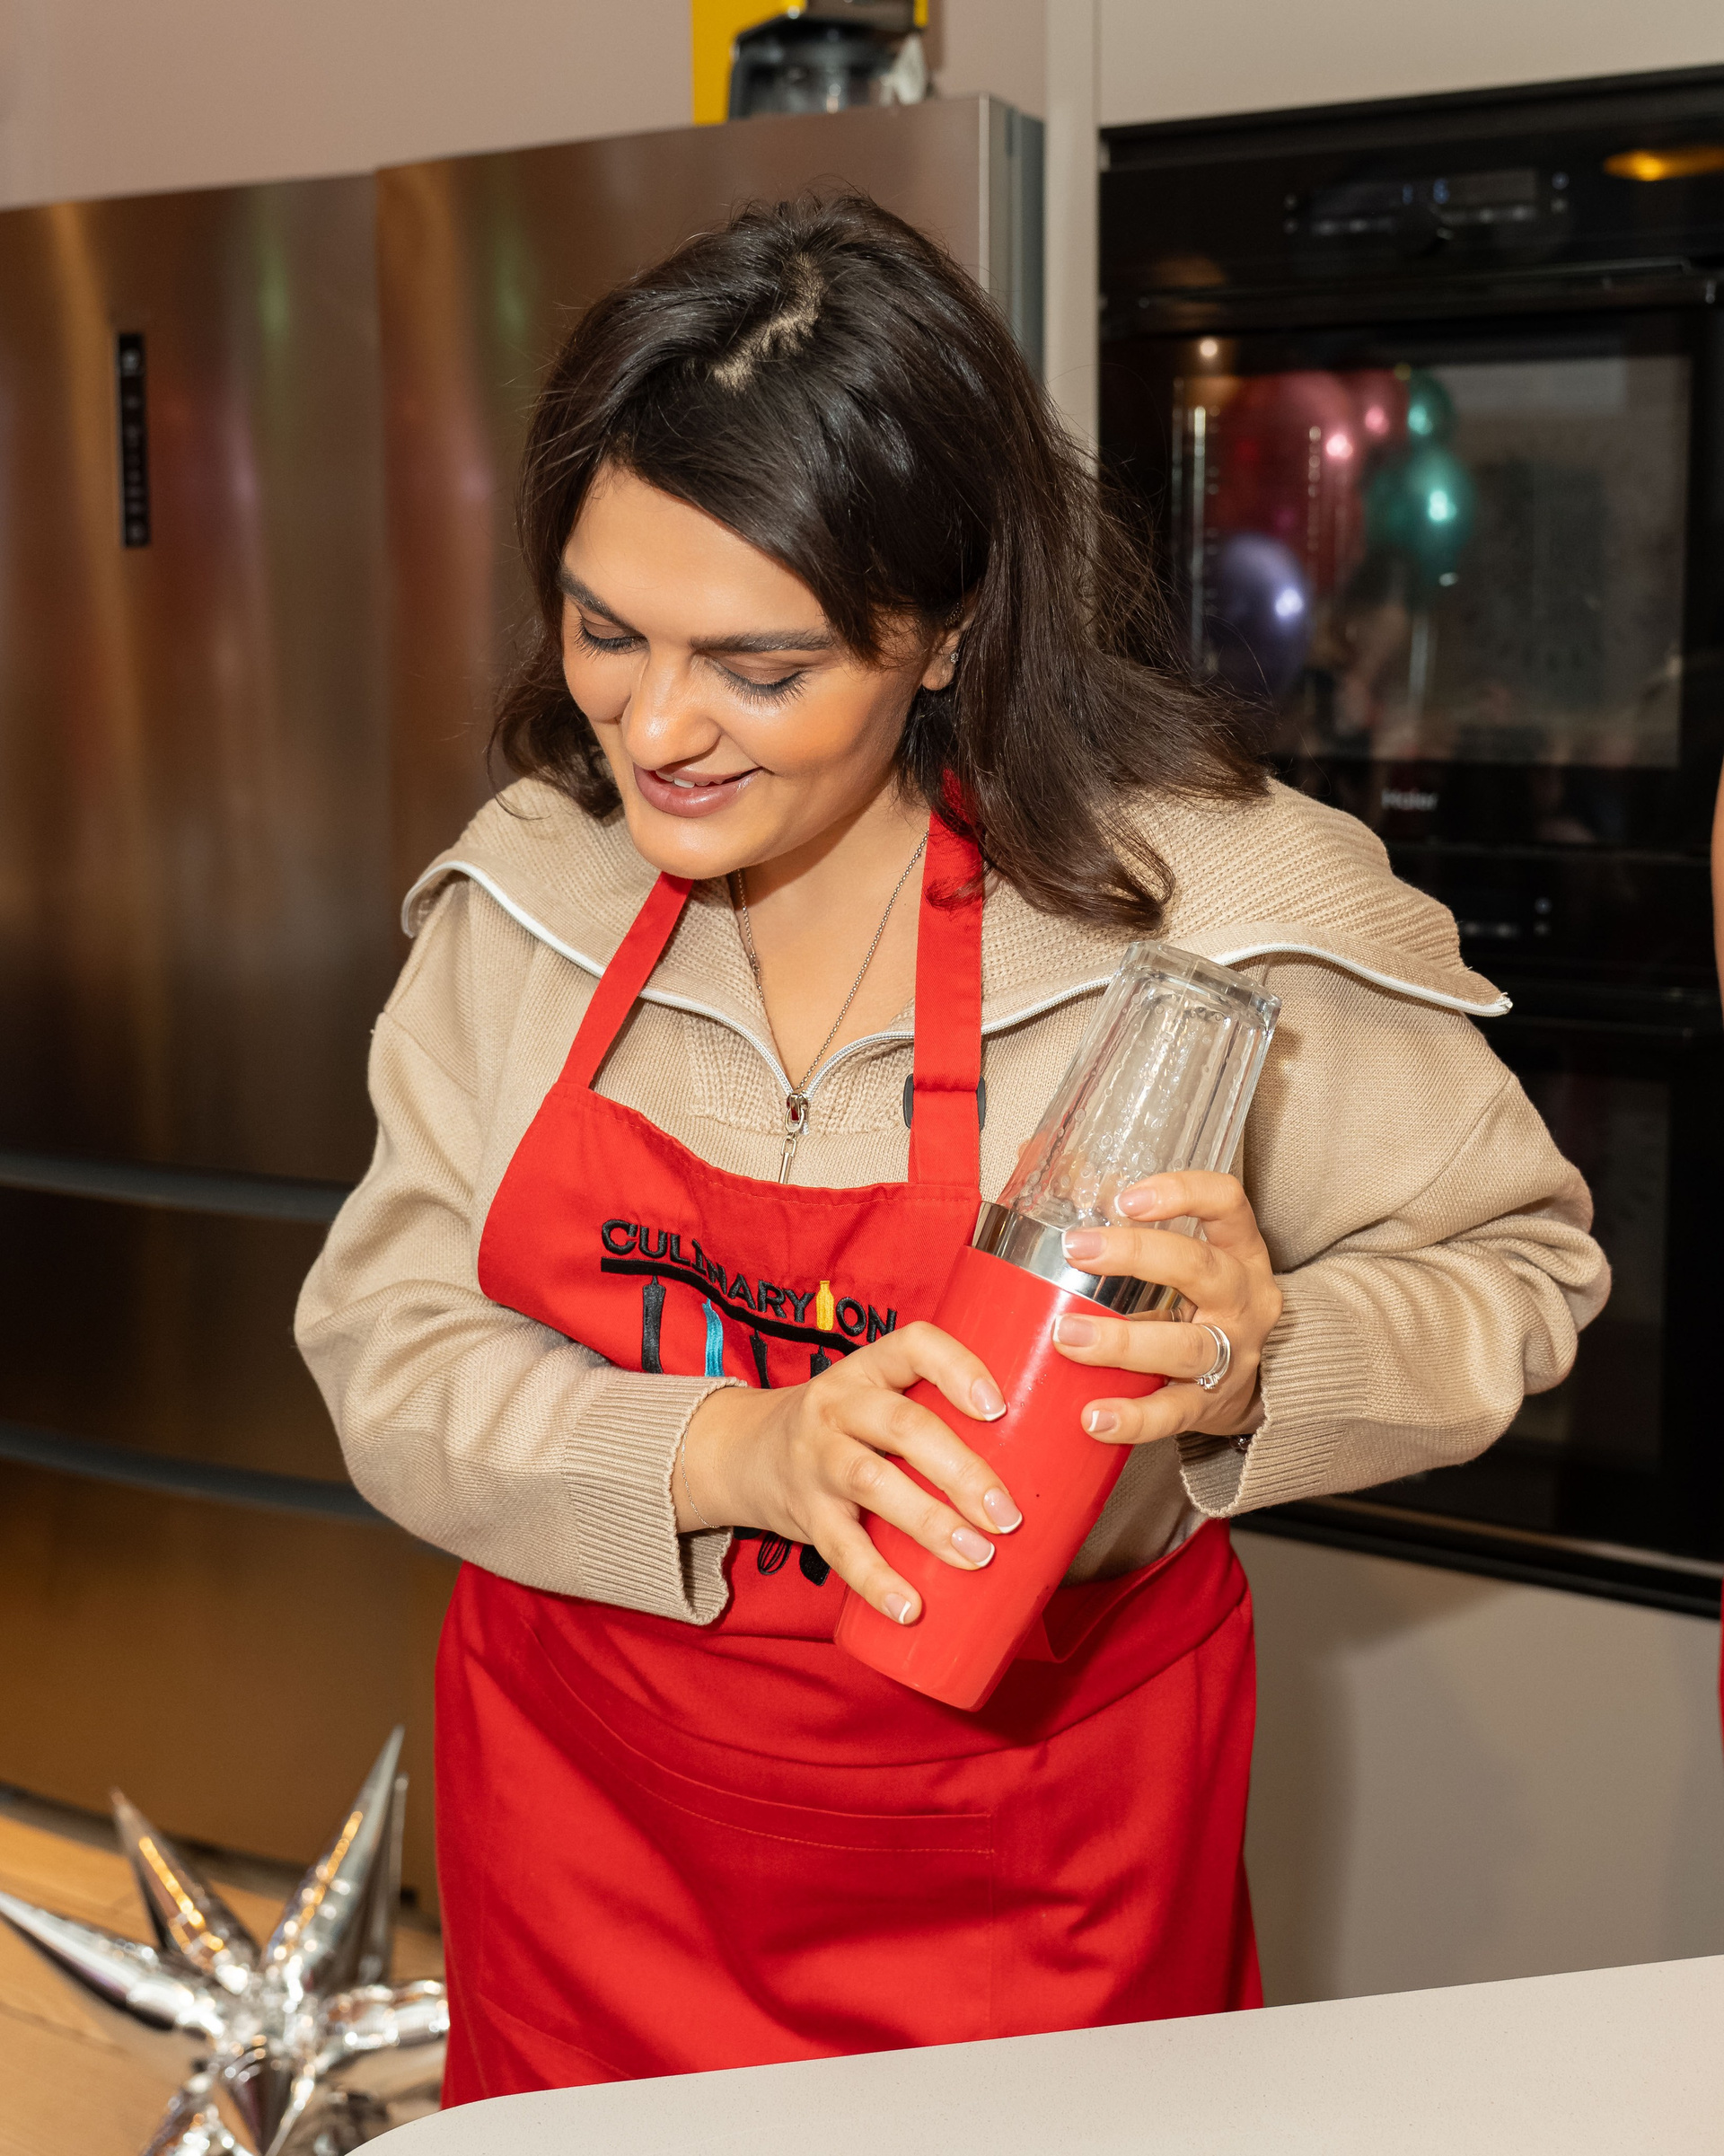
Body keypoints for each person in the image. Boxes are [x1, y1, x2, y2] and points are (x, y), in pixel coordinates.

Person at [295, 195, 1608, 2099]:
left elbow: (1521, 1268)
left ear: (946, 627)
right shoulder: (533, 896)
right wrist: (732, 1450)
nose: (653, 729)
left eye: (758, 667)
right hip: (592, 1837)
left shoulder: (1217, 917)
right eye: (603, 629)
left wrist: (1267, 1357)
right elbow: (386, 1345)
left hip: (1033, 1869)